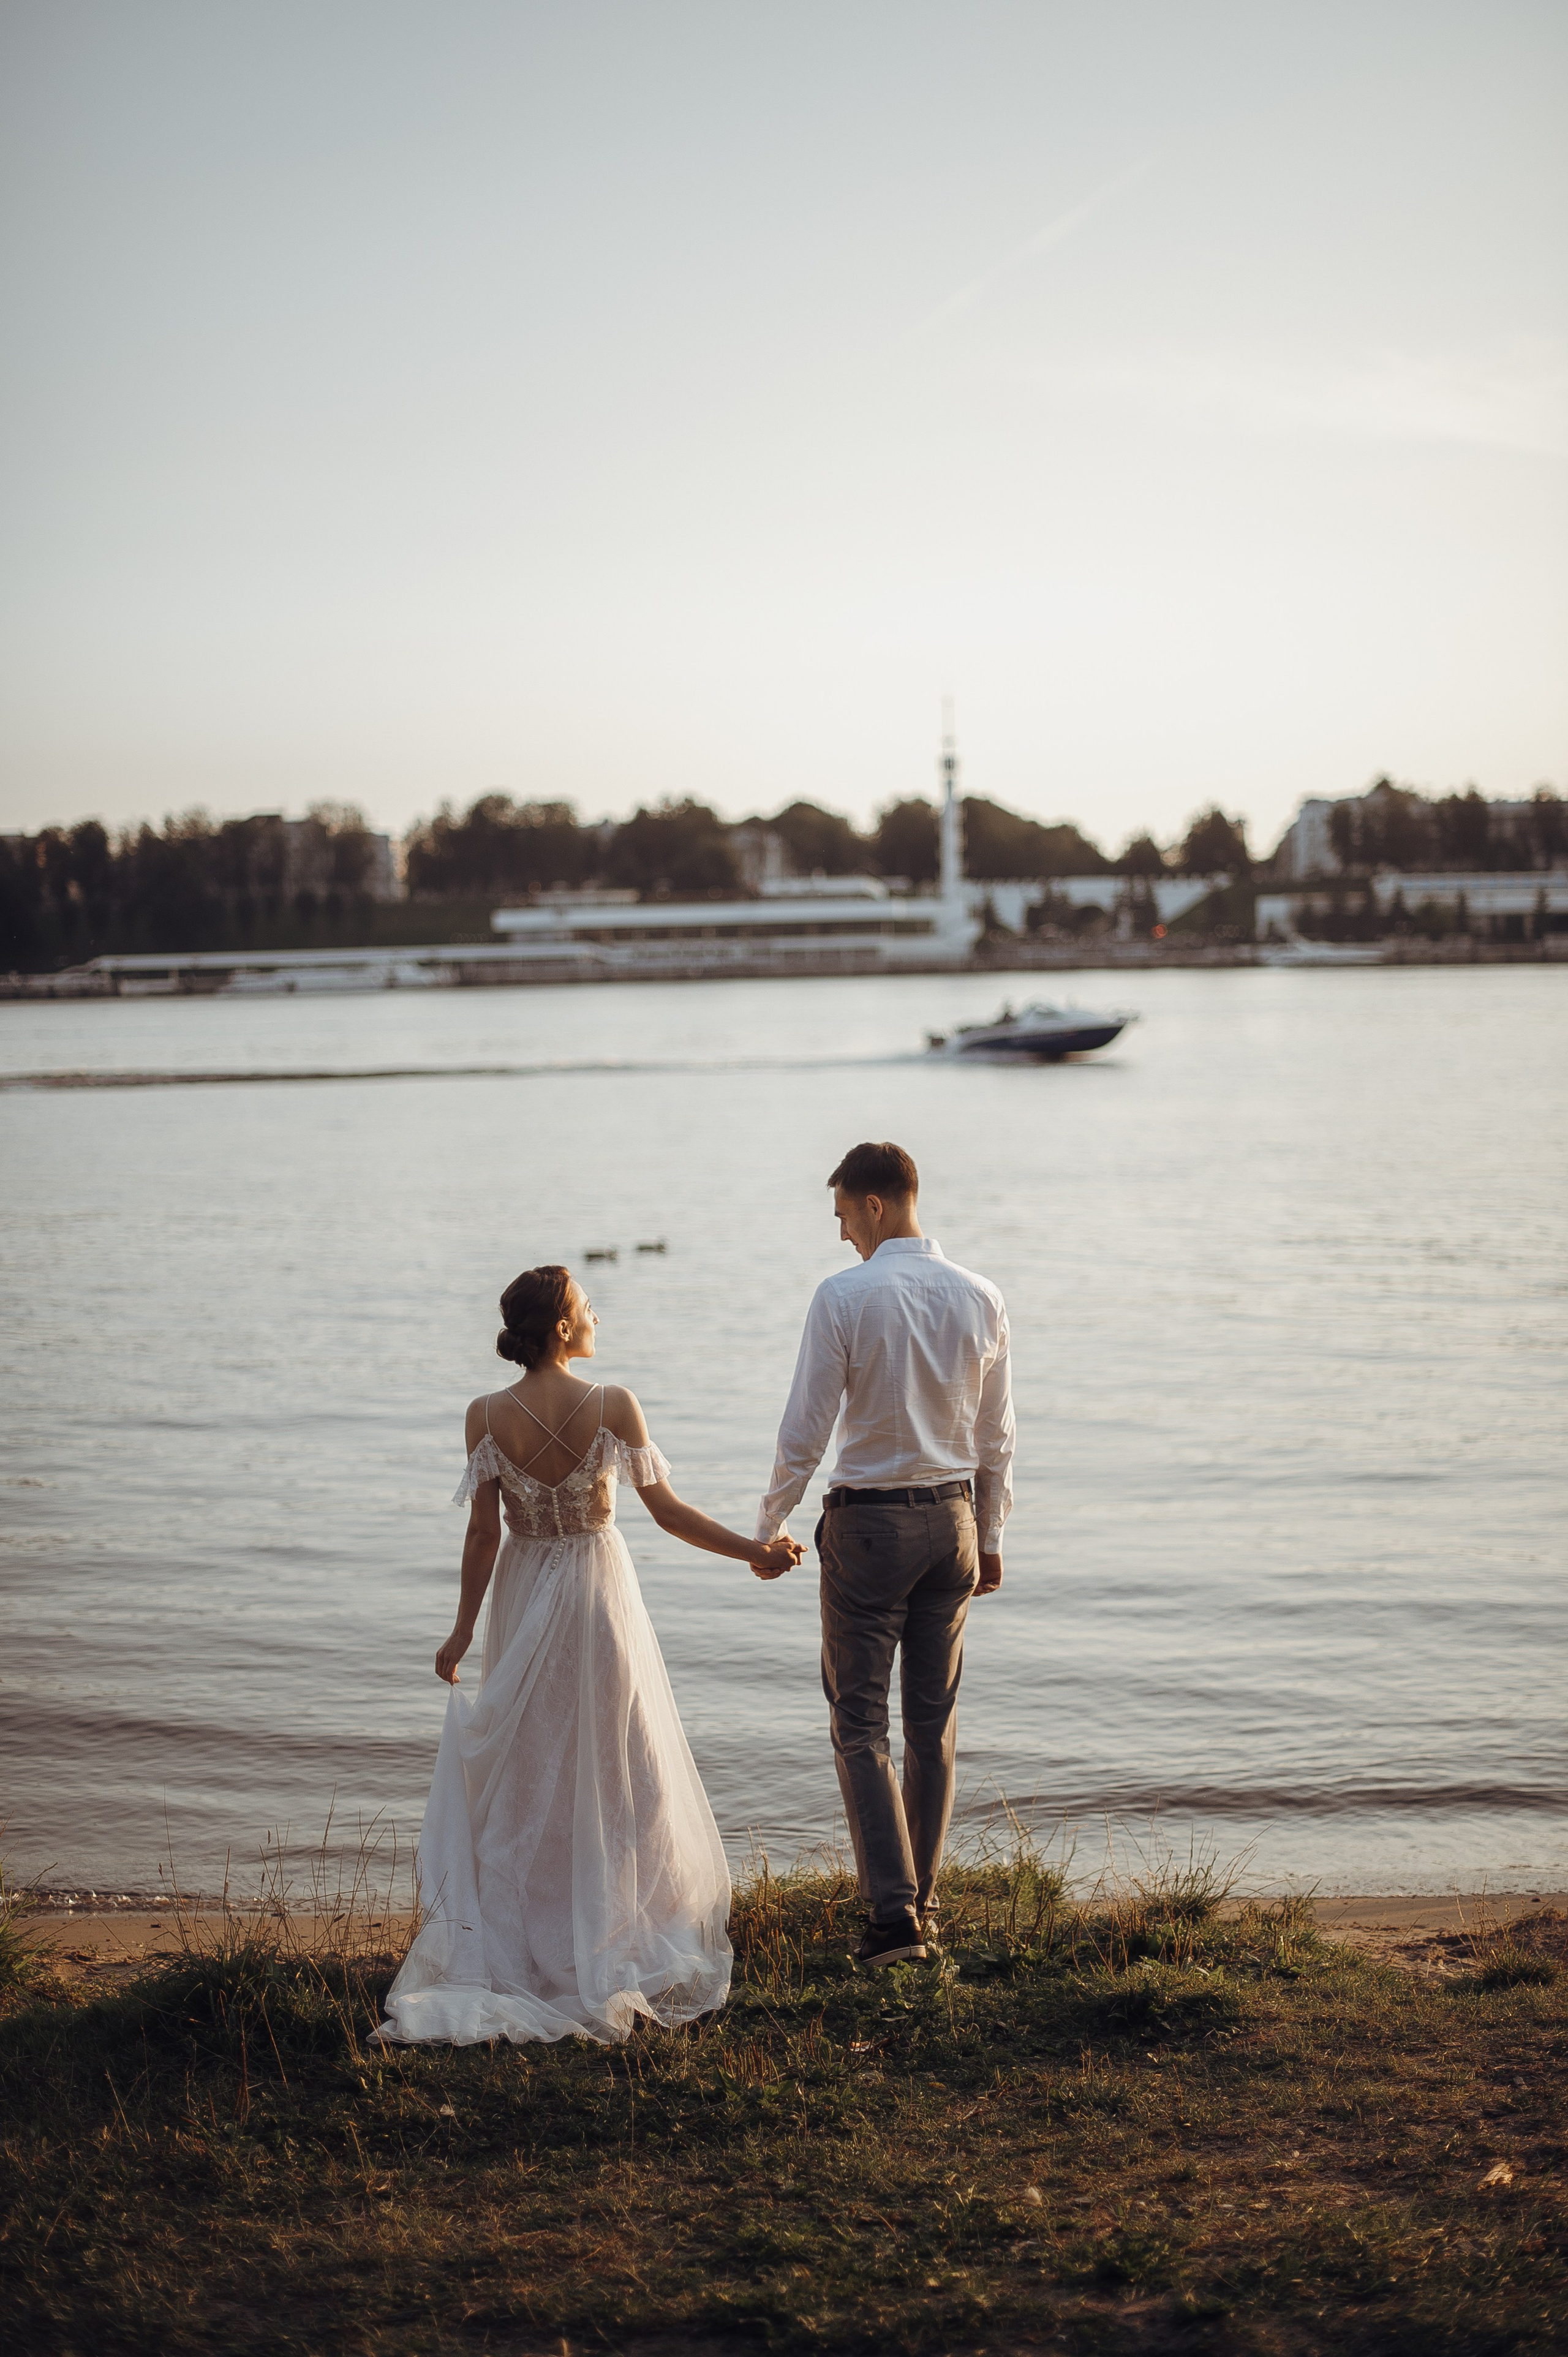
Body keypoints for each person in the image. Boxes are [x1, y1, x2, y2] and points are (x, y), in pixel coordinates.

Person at [375, 1265, 802, 2047]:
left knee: (534, 1761)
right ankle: (618, 1924)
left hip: (525, 1591)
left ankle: (533, 1928)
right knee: (618, 1758)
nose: (597, 1314)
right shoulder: (612, 1404)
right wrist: (754, 1551)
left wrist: (462, 1629)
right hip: (600, 1594)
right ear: (563, 1329)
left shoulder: (483, 1415)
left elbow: (483, 1535)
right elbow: (666, 1511)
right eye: (586, 1306)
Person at [754, 1142, 1014, 1967]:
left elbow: (805, 1430)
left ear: (872, 1204)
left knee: (859, 1724)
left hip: (869, 1528)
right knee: (932, 1726)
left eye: (840, 1216)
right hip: (953, 1523)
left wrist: (768, 1527)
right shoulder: (982, 1295)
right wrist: (992, 1532)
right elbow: (996, 1436)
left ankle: (893, 1921)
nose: (839, 1235)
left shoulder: (844, 1297)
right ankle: (920, 1906)